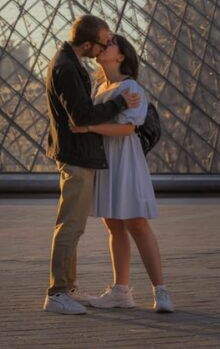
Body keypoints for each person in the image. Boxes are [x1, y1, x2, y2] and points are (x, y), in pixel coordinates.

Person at [43, 15, 141, 315]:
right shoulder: (66, 68)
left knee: (73, 226)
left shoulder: (69, 63)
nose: (104, 48)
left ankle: (67, 287)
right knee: (70, 227)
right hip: (74, 156)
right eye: (103, 42)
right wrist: (120, 103)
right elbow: (82, 117)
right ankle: (57, 293)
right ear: (87, 44)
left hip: (75, 153)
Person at [71, 34, 174, 313]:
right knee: (113, 225)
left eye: (112, 42)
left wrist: (89, 128)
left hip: (124, 158)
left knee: (137, 223)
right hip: (105, 159)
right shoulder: (99, 86)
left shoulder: (130, 87)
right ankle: (121, 291)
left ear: (121, 56)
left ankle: (161, 290)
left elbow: (129, 129)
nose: (104, 44)